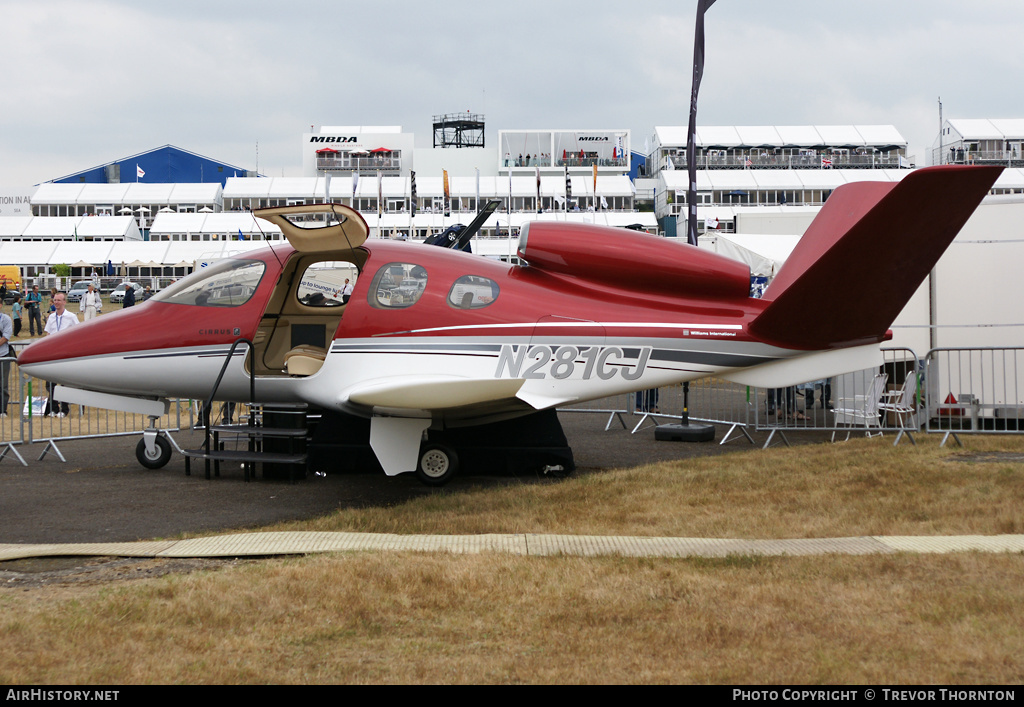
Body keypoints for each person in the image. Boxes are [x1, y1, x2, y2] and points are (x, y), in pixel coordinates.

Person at [42, 292, 79, 417]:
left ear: (64, 302)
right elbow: (48, 334)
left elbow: (78, 333)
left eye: (59, 300)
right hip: (52, 354)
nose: (56, 302)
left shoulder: (71, 317)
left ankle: (64, 409)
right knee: (51, 383)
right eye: (55, 300)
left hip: (65, 354)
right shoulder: (51, 317)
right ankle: (53, 408)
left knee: (64, 383)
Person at [0, 305, 12, 417]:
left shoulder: (6, 319)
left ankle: (2, 410)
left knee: (3, 384)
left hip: (3, 355)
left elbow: (6, 337)